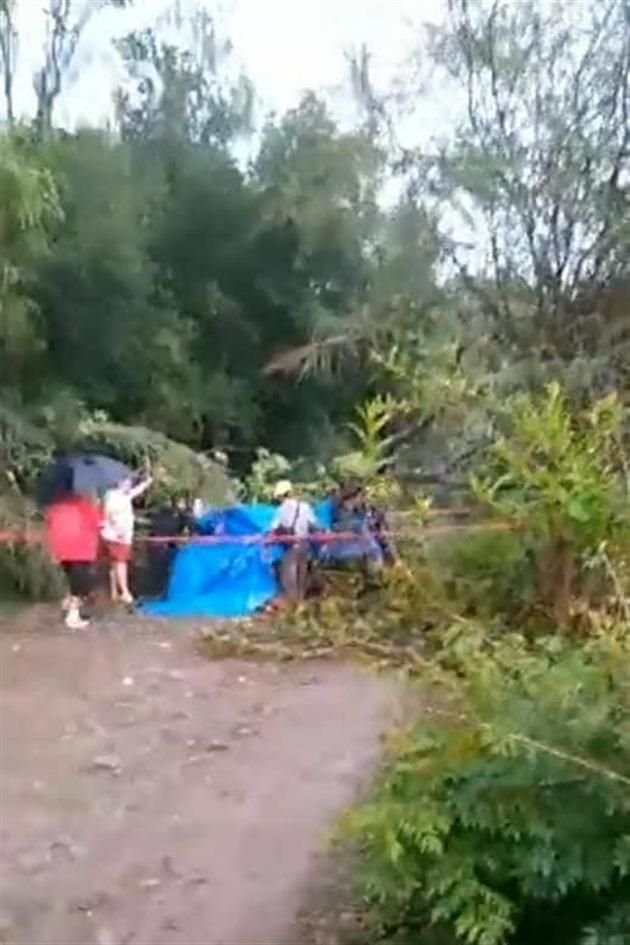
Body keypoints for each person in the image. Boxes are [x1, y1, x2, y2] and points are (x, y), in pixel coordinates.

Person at [46, 482, 102, 629]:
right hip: (81, 549)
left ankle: (69, 606)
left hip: (63, 550)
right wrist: (96, 504)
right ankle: (73, 615)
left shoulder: (56, 506)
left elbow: (51, 525)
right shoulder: (86, 507)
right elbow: (99, 523)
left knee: (73, 581)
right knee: (79, 585)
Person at [101, 472, 153, 606]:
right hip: (118, 536)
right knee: (121, 563)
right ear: (119, 483)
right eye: (126, 483)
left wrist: (147, 482)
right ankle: (125, 592)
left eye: (130, 483)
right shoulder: (113, 496)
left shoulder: (125, 495)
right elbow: (109, 514)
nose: (129, 485)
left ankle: (115, 592)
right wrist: (118, 532)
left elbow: (137, 490)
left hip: (118, 535)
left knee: (114, 563)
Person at [269, 480, 318, 602]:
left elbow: (273, 528)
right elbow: (315, 525)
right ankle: (301, 605)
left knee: (289, 579)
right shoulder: (305, 507)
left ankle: (293, 605)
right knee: (302, 578)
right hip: (305, 546)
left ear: (280, 496)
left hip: (290, 547)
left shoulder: (281, 510)